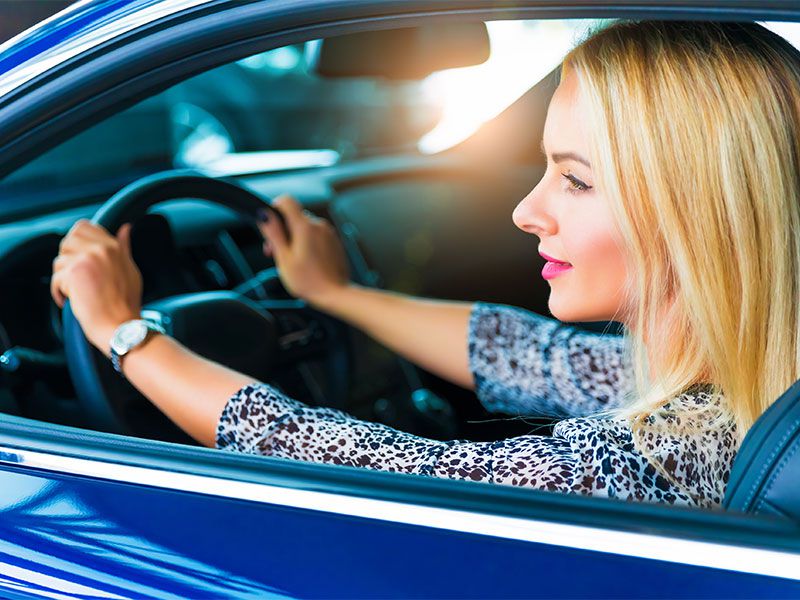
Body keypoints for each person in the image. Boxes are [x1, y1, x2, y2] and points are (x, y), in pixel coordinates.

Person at [49, 20, 800, 508]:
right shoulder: (743, 382)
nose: (525, 211)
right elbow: (529, 356)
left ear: (695, 211)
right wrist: (335, 294)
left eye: (574, 180)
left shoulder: (636, 463)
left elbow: (349, 459)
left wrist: (121, 331)